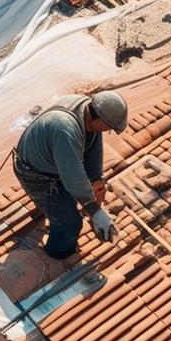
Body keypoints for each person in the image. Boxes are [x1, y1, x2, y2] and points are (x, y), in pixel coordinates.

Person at [13, 90, 127, 259]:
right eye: (109, 127)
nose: (109, 130)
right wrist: (94, 210)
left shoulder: (87, 109)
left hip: (54, 161)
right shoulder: (65, 129)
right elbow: (73, 177)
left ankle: (53, 210)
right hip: (35, 175)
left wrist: (96, 179)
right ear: (99, 119)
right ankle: (58, 253)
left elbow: (93, 147)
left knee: (80, 193)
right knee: (70, 223)